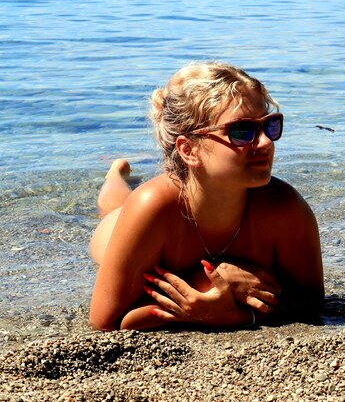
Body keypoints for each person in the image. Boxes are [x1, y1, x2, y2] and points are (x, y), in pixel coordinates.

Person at [89, 62, 324, 331]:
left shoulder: (285, 208)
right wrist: (208, 279)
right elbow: (104, 322)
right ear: (189, 150)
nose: (265, 143)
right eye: (241, 131)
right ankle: (115, 173)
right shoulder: (151, 207)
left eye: (269, 126)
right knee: (113, 208)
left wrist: (233, 315)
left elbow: (311, 301)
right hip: (117, 231)